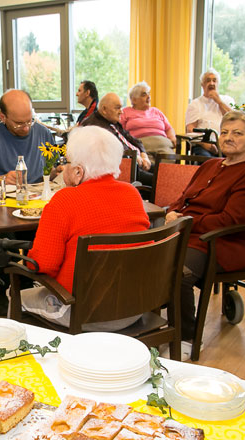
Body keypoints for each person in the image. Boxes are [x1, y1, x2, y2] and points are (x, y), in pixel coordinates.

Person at [21, 126, 150, 328]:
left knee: (15, 295)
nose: (64, 168)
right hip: (134, 307)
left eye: (67, 163)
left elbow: (42, 265)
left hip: (83, 312)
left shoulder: (65, 200)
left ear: (79, 171)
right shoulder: (132, 194)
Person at [166, 111, 245, 355]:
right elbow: (183, 198)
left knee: (178, 271)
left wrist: (187, 221)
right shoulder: (211, 164)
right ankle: (157, 325)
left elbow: (231, 220)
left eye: (237, 133)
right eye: (224, 132)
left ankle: (187, 337)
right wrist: (172, 212)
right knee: (144, 253)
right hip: (191, 231)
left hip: (227, 242)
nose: (228, 137)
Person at [0, 89, 55, 184]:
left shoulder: (43, 133)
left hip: (39, 195)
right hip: (6, 196)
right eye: (19, 123)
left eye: (29, 121)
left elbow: (50, 170)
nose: (26, 128)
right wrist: (1, 180)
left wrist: (55, 173)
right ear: (3, 117)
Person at [80, 92, 154, 185]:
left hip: (137, 163)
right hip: (124, 169)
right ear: (104, 109)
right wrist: (133, 156)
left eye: (121, 107)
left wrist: (144, 155)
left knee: (164, 171)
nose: (121, 111)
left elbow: (134, 140)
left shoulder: (112, 121)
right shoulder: (93, 125)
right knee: (161, 181)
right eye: (117, 108)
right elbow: (109, 150)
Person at [185, 68, 235, 158]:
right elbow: (190, 129)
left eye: (214, 80)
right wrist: (205, 144)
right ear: (202, 85)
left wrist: (218, 101)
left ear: (218, 84)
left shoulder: (227, 100)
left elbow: (234, 119)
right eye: (208, 81)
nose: (212, 83)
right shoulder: (195, 104)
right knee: (209, 162)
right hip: (203, 144)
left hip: (226, 143)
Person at [120, 81, 176, 156]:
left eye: (149, 93)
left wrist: (172, 137)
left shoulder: (156, 111)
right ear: (134, 100)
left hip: (163, 144)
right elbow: (119, 130)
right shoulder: (125, 112)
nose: (148, 96)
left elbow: (168, 128)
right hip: (141, 145)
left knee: (168, 165)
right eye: (144, 94)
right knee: (145, 164)